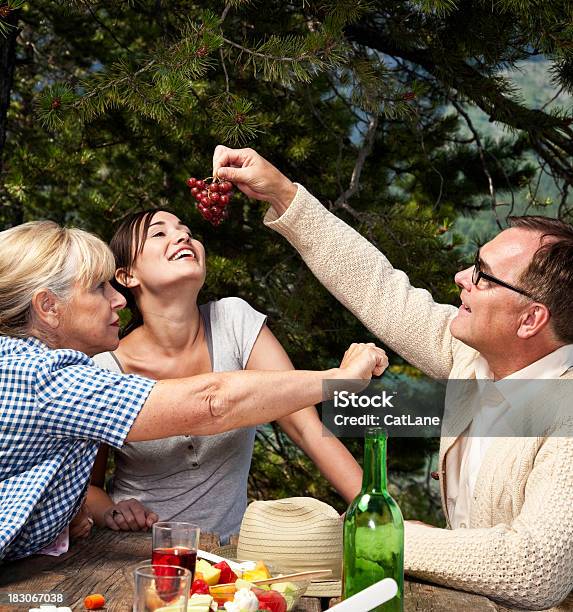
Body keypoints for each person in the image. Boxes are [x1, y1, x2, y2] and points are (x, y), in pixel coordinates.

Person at [211, 146, 573, 610]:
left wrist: (386, 535)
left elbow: (534, 568)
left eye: (483, 277)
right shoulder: (474, 357)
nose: (462, 277)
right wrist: (282, 194)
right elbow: (379, 289)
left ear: (530, 320)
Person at [0, 220, 387, 561]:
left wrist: (67, 522)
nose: (116, 297)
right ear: (48, 306)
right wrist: (340, 377)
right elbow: (212, 403)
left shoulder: (30, 368)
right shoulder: (52, 376)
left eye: (187, 230)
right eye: (100, 288)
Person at [86, 209, 363, 540]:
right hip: (134, 556)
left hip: (230, 559)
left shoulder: (234, 321)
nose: (182, 236)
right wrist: (112, 511)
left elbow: (306, 427)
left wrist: (379, 511)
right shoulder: (105, 367)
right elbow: (87, 487)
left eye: (185, 229)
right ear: (128, 275)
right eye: (159, 233)